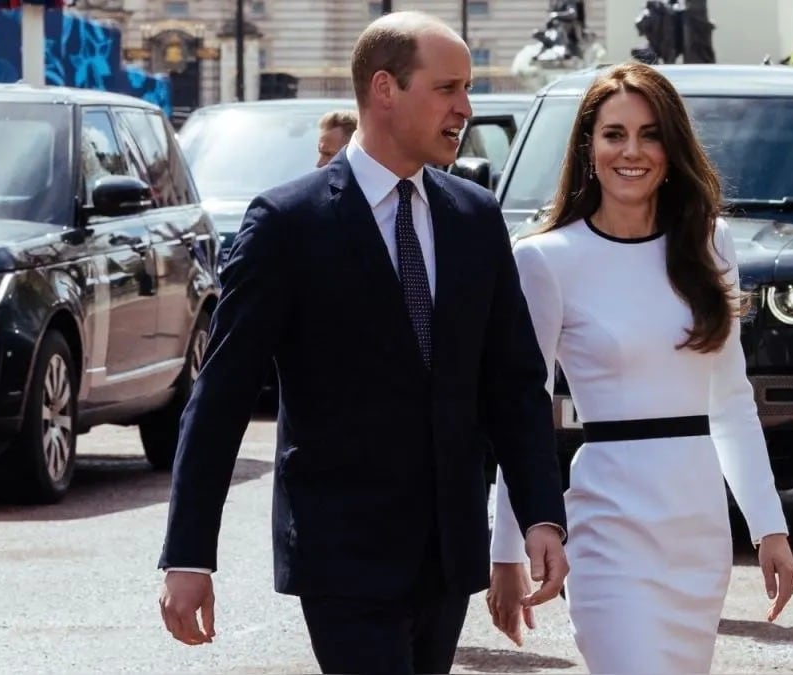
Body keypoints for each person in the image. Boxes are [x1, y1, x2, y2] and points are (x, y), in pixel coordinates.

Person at [156, 11, 570, 674]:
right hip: (341, 553)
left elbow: (514, 385)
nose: (465, 107)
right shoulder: (287, 223)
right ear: (384, 89)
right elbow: (222, 394)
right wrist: (188, 553)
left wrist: (541, 516)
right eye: (447, 89)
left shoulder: (474, 216)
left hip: (447, 551)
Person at [485, 62, 793, 673]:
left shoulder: (711, 244)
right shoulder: (545, 259)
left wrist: (770, 528)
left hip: (697, 526)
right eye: (614, 134)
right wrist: (505, 552)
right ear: (588, 146)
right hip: (607, 525)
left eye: (650, 134)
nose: (633, 151)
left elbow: (731, 399)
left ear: (672, 145)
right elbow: (520, 411)